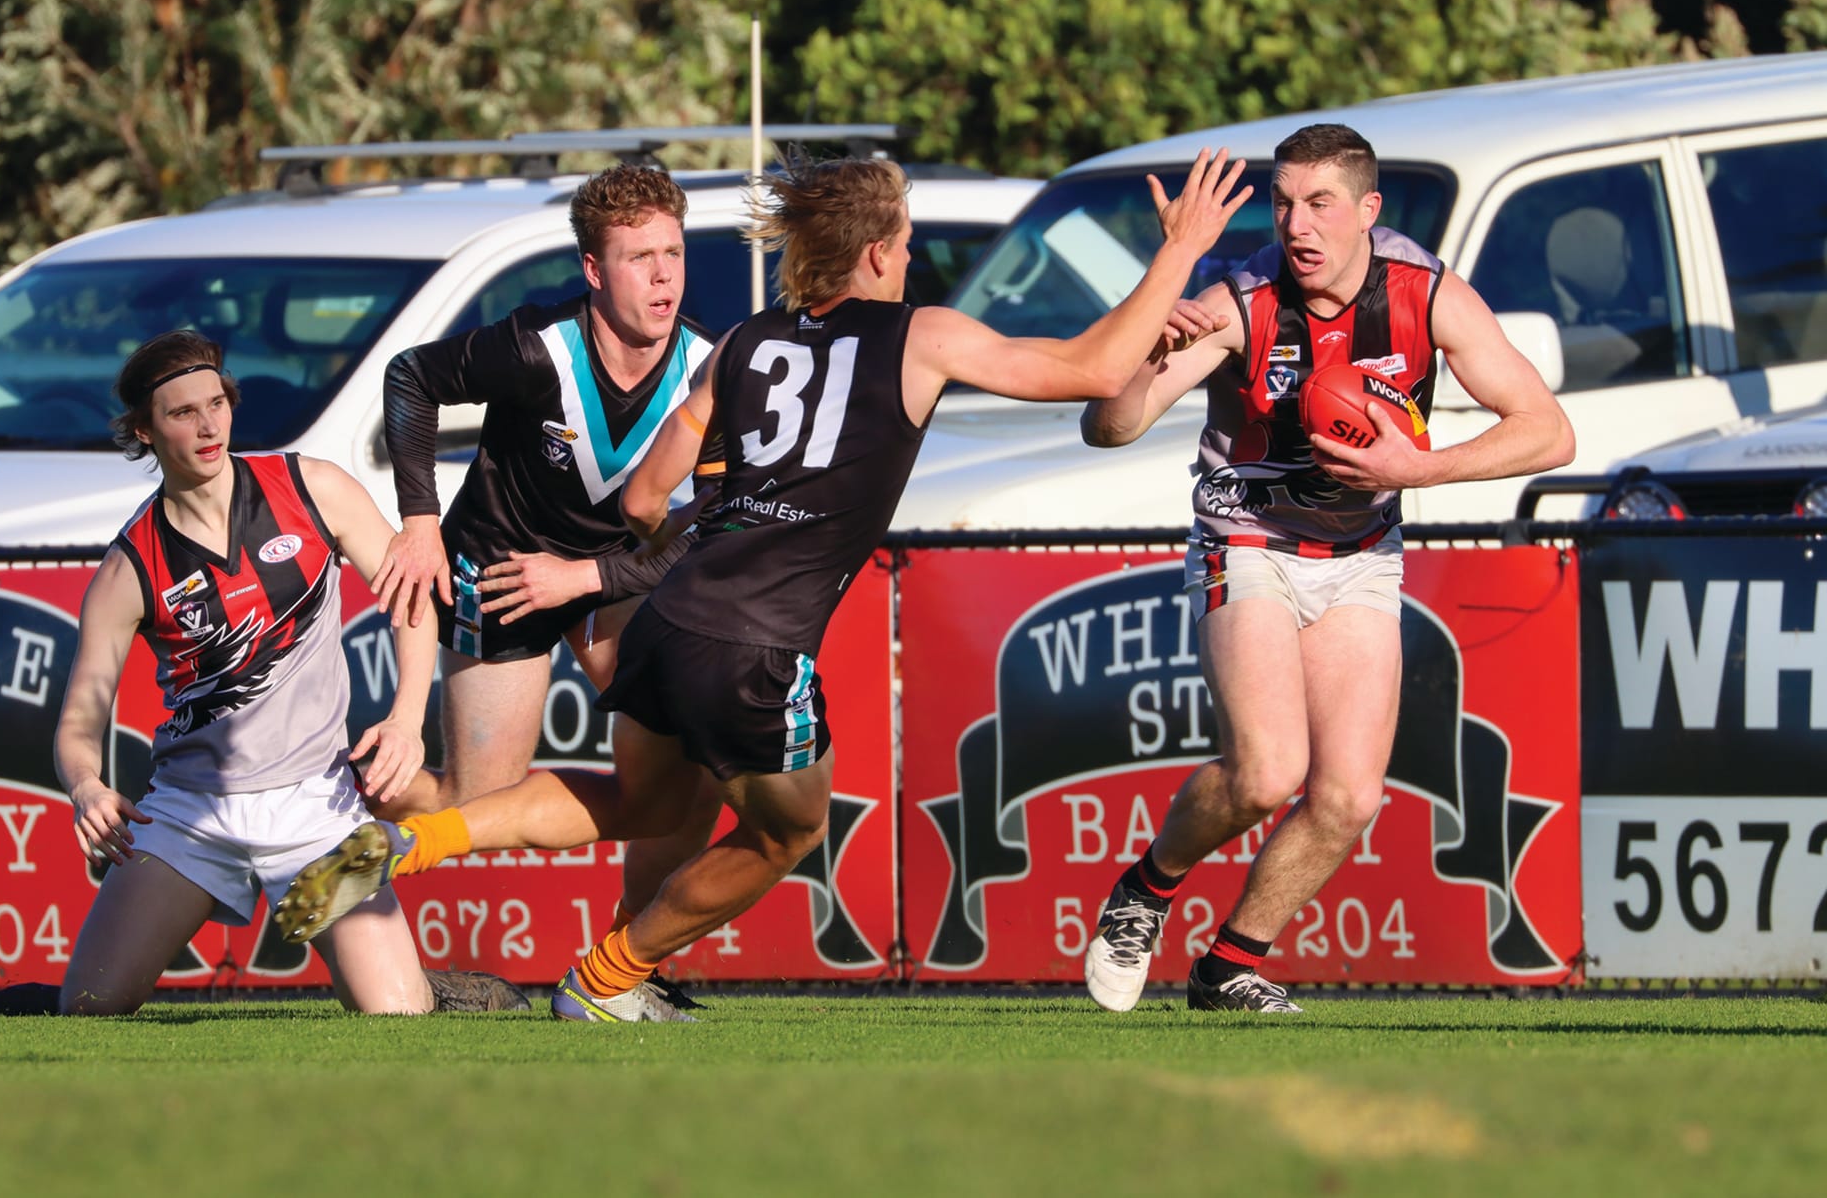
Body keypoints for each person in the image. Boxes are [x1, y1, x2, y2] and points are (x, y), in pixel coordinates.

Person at [272, 146, 1252, 1022]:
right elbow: (1094, 366)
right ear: (872, 252)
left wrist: (726, 512)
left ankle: (416, 843)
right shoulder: (919, 336)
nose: (908, 258)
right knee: (788, 832)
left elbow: (649, 491)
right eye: (904, 241)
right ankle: (606, 977)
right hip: (749, 644)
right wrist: (1179, 249)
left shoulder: (741, 346)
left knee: (651, 810)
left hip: (662, 622)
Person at [1077, 123, 1575, 1014]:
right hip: (1250, 537)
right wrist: (1149, 349)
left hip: (1360, 554)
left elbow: (1549, 430)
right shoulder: (1240, 299)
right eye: (1283, 203)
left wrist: (1416, 469)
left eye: (1320, 204)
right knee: (1267, 771)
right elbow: (1108, 428)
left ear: (1368, 212)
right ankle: (1145, 892)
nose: (1297, 225)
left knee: (1347, 796)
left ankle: (1229, 963)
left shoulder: (1426, 296)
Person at [0, 329, 522, 1016]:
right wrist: (85, 784)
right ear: (144, 431)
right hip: (189, 815)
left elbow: (414, 597)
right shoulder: (129, 567)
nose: (208, 425)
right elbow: (81, 719)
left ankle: (425, 987)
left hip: (320, 809)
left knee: (395, 1014)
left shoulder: (310, 486)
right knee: (89, 1006)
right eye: (182, 413)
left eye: (218, 403)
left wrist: (407, 719)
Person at [365, 162, 724, 1011]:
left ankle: (629, 967)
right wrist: (418, 518)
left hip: (610, 575)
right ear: (594, 271)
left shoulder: (713, 365)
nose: (664, 274)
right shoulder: (537, 348)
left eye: (673, 251)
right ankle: (334, 804)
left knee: (685, 778)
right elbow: (409, 378)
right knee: (477, 798)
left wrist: (589, 575)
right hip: (501, 568)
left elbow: (712, 524)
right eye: (640, 257)